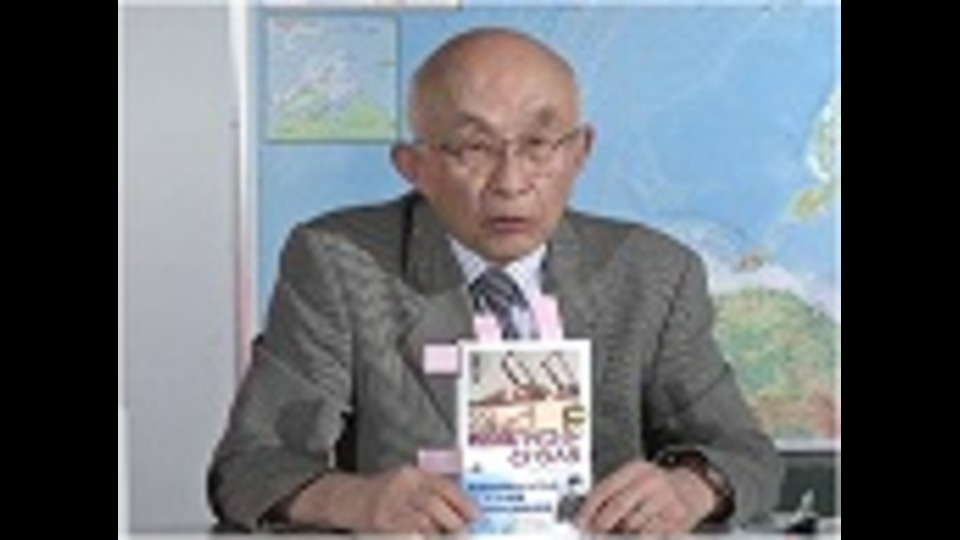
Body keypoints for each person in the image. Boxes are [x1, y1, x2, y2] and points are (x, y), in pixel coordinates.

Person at [208, 26, 782, 534]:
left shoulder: (652, 273)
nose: (511, 182)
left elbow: (747, 456)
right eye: (474, 148)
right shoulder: (340, 263)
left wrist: (690, 489)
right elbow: (249, 469)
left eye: (538, 145)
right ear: (415, 167)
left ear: (580, 153)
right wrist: (355, 501)